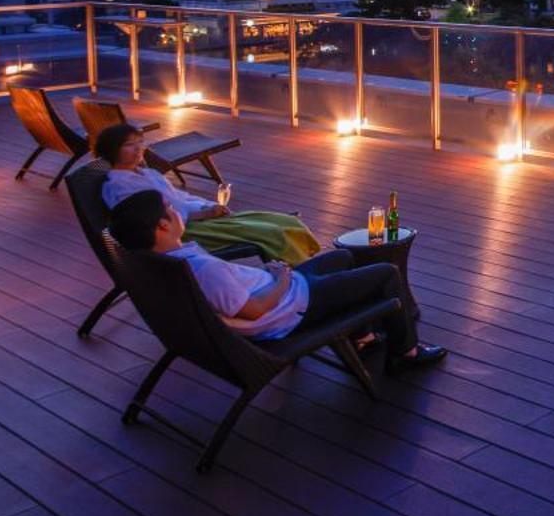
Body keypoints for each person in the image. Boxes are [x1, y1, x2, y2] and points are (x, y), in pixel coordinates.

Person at [107, 189, 446, 369]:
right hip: (288, 309)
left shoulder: (160, 265)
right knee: (386, 273)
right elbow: (252, 310)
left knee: (343, 257)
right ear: (163, 226)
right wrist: (282, 280)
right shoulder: (199, 269)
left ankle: (363, 335)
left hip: (279, 293)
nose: (177, 211)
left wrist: (275, 276)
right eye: (171, 209)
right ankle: (406, 352)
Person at [95, 122, 321, 264]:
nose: (138, 149)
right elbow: (148, 221)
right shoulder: (118, 187)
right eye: (129, 145)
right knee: (272, 232)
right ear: (112, 151)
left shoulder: (148, 174)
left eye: (140, 143)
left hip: (196, 217)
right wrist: (200, 215)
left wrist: (207, 207)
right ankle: (302, 270)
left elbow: (180, 198)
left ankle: (309, 260)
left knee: (284, 221)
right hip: (182, 232)